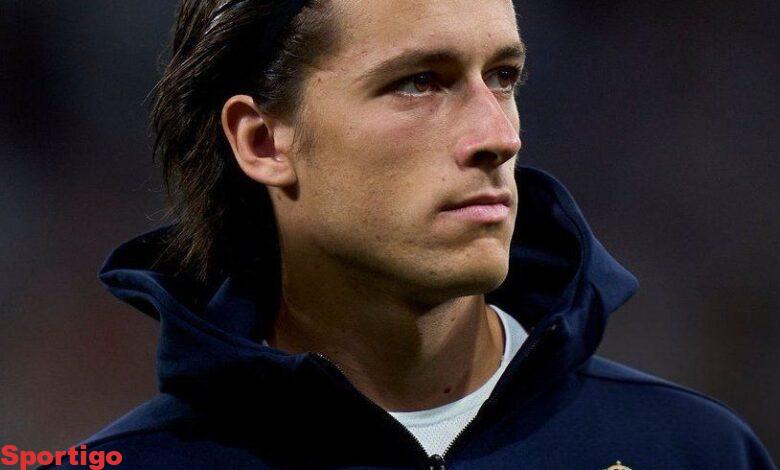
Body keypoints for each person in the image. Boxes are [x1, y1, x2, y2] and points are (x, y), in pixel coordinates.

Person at [42, 0, 776, 468]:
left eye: (504, 77)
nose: (499, 136)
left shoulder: (695, 451)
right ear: (263, 141)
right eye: (420, 82)